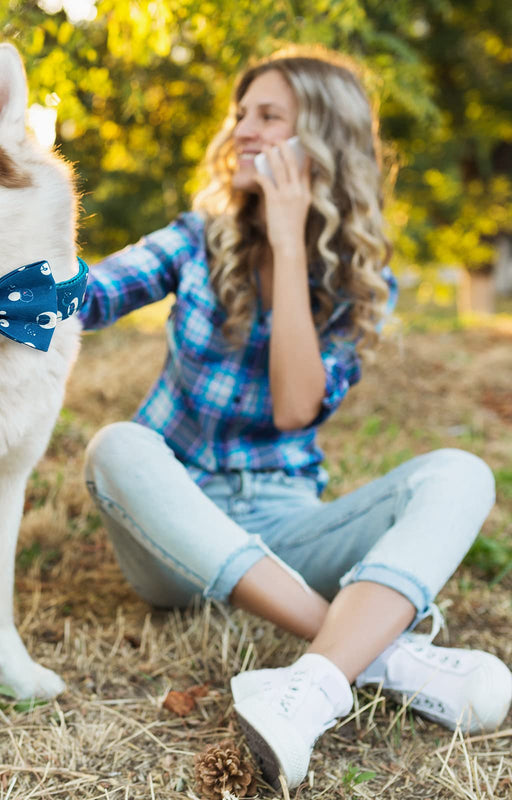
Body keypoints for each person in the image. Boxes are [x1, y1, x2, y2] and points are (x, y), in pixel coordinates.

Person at [77, 47, 512, 790]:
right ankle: (381, 655)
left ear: (322, 142)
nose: (242, 129)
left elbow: (293, 407)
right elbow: (86, 297)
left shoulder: (359, 282)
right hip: (174, 528)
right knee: (119, 445)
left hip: (284, 524)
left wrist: (286, 237)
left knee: (462, 474)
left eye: (268, 116)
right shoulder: (195, 238)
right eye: (241, 114)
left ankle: (306, 693)